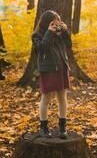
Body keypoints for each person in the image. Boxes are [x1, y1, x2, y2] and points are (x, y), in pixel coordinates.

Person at [31, 10, 72, 139]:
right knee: (46, 98)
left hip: (61, 67)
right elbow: (42, 48)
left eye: (57, 22)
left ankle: (62, 127)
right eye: (53, 22)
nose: (56, 25)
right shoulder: (37, 35)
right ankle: (43, 127)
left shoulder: (60, 34)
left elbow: (69, 46)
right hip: (48, 69)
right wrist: (49, 32)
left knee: (62, 97)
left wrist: (65, 32)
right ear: (46, 22)